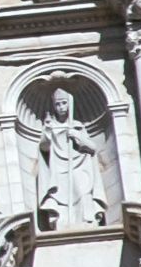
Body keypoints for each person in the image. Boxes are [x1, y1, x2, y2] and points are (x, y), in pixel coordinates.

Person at [25, 83, 118, 231]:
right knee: (59, 196)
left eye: (63, 103)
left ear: (69, 104)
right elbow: (44, 147)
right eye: (58, 104)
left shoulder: (77, 125)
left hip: (80, 166)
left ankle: (87, 221)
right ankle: (62, 222)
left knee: (82, 191)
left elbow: (92, 147)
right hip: (58, 169)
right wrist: (48, 131)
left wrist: (78, 137)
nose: (61, 107)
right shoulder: (52, 126)